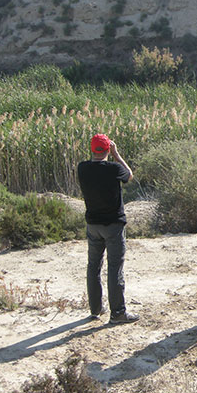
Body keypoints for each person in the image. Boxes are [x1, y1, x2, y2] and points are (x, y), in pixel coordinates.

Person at [77, 134, 139, 324]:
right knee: (114, 268)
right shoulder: (113, 168)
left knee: (93, 267)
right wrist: (117, 154)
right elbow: (129, 175)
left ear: (92, 149)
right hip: (113, 224)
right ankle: (118, 312)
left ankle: (95, 309)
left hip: (93, 225)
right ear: (107, 150)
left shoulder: (83, 168)